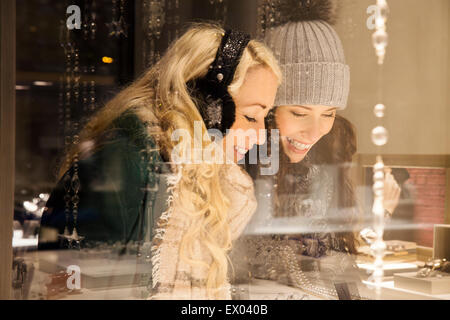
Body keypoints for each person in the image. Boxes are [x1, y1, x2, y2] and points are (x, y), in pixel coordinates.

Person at [38, 23, 281, 299]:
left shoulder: (207, 178)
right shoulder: (122, 166)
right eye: (251, 117)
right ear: (206, 104)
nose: (261, 136)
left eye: (265, 118)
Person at [233, 0, 400, 299]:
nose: (315, 132)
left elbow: (332, 254)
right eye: (298, 113)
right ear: (268, 108)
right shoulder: (237, 160)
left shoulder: (320, 165)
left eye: (329, 113)